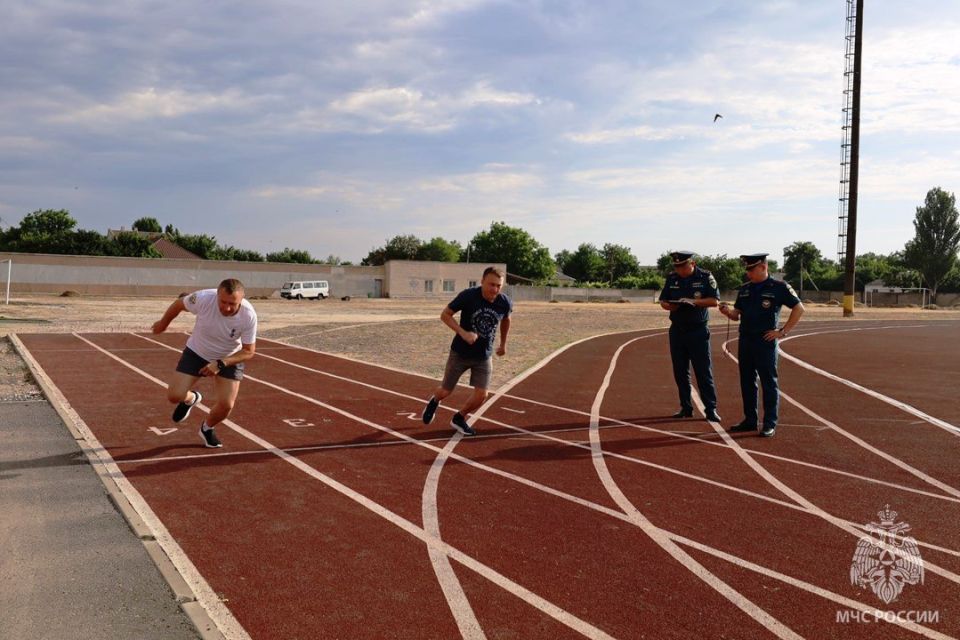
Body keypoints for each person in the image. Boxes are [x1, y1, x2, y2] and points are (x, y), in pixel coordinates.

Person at [151, 278, 258, 448]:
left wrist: (221, 363)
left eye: (232, 304)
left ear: (242, 299)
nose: (227, 308)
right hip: (197, 352)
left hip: (228, 357)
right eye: (223, 302)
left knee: (226, 405)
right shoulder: (203, 298)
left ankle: (207, 428)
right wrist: (163, 324)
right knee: (174, 396)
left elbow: (248, 351)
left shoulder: (248, 315)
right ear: (217, 295)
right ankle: (192, 398)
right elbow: (179, 304)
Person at [718, 254, 804, 437]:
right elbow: (736, 314)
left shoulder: (779, 287)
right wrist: (726, 312)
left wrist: (783, 331)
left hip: (765, 341)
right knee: (747, 381)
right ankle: (750, 420)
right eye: (747, 269)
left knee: (768, 382)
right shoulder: (745, 289)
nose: (748, 273)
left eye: (751, 269)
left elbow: (799, 308)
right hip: (746, 340)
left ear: (763, 267)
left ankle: (769, 423)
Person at [420, 266, 512, 436]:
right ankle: (434, 400)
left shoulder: (504, 302)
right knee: (445, 391)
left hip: (483, 356)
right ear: (482, 281)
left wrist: (503, 344)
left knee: (482, 395)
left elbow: (506, 320)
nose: (495, 289)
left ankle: (459, 418)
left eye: (499, 286)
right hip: (460, 353)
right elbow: (445, 315)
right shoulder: (469, 296)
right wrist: (463, 333)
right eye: (491, 284)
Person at [658, 251, 721, 422]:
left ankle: (711, 409)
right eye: (677, 267)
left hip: (697, 330)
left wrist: (694, 301)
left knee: (703, 371)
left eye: (682, 266)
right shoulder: (672, 278)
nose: (679, 270)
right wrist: (669, 306)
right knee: (680, 371)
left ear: (692, 264)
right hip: (677, 330)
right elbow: (663, 300)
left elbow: (714, 301)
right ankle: (686, 407)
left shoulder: (705, 277)